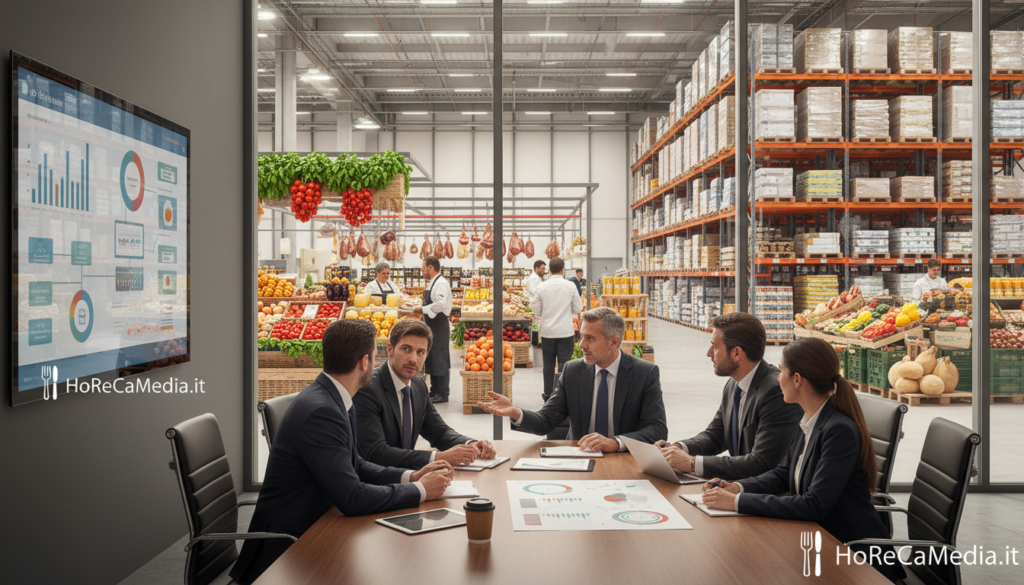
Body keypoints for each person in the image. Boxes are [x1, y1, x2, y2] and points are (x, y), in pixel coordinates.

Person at [230, 320, 454, 585]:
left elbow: (356, 464)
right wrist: (422, 491)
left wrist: (412, 477)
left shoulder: (334, 398)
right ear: (363, 362)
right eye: (374, 355)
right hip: (291, 550)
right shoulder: (323, 411)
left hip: (320, 524)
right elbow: (352, 497)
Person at [701, 337, 905, 583]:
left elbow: (813, 505)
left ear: (797, 379)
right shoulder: (810, 419)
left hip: (851, 556)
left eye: (782, 371)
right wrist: (737, 487)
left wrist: (736, 502)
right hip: (818, 540)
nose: (777, 378)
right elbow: (782, 474)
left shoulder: (838, 430)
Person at [478, 307, 667, 451]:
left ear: (614, 341)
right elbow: (546, 420)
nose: (582, 345)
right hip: (580, 458)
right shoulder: (573, 371)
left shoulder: (644, 374)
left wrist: (615, 443)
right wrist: (516, 412)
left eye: (590, 338)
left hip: (627, 460)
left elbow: (657, 429)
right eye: (581, 336)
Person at [656, 312, 803, 479]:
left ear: (736, 353)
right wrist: (677, 449)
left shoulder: (775, 393)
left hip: (767, 493)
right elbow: (715, 436)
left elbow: (762, 463)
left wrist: (691, 463)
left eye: (715, 346)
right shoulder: (734, 384)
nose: (709, 353)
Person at [354, 318, 497, 469]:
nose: (413, 359)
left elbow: (438, 432)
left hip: (407, 477)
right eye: (406, 349)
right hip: (376, 484)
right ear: (390, 349)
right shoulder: (367, 389)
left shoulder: (417, 384)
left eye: (420, 352)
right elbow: (376, 453)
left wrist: (471, 445)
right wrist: (438, 457)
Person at [530, 257, 584, 401]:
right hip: (565, 331)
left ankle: (548, 395)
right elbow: (578, 307)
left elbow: (535, 308)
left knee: (547, 364)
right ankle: (562, 396)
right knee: (564, 364)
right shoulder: (570, 285)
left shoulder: (542, 286)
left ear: (548, 270)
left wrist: (544, 314)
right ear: (562, 269)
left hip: (548, 332)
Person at [412, 256, 453, 403]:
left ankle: (442, 393)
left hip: (439, 324)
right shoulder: (433, 283)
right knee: (433, 357)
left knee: (440, 358)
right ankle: (434, 390)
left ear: (430, 267)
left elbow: (441, 304)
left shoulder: (441, 283)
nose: (422, 270)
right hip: (431, 323)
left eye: (423, 267)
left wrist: (421, 308)